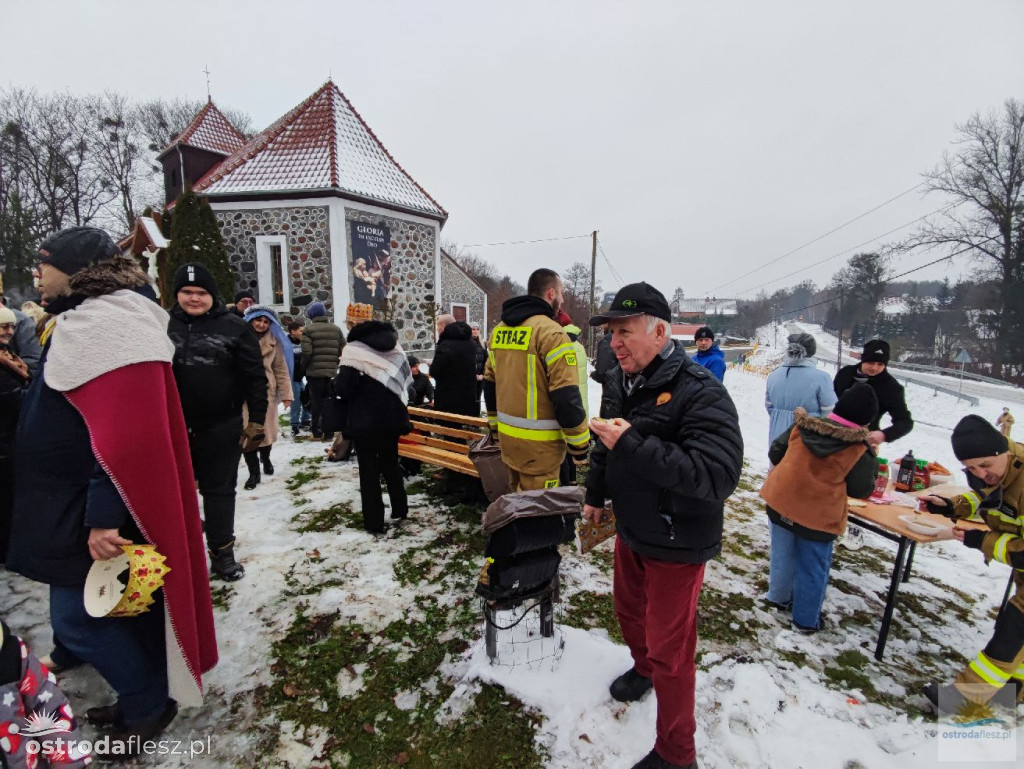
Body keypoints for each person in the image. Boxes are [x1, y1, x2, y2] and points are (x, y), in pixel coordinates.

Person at [7, 228, 217, 757]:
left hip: (87, 507)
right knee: (97, 615)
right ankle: (141, 697)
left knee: (79, 620)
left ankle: (147, 703)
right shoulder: (89, 320)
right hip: (66, 501)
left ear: (76, 268)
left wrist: (102, 515)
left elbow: (127, 436)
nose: (38, 273)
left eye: (45, 263)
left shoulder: (113, 326)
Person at [582, 282, 743, 769]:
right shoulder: (619, 380)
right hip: (632, 527)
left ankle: (677, 754)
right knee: (629, 613)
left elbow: (716, 475)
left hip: (678, 540)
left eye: (624, 332)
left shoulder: (701, 391)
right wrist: (595, 493)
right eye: (611, 334)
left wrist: (630, 443)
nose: (614, 343)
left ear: (659, 331)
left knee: (672, 651)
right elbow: (604, 445)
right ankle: (642, 667)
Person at [168, 262, 268, 581]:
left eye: (201, 293)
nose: (194, 298)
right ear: (177, 294)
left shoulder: (234, 327)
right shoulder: (162, 325)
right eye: (187, 292)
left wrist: (257, 421)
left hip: (221, 424)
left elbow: (255, 378)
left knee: (219, 491)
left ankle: (222, 554)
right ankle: (177, 553)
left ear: (212, 295)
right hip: (172, 426)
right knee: (174, 492)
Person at [919, 415, 1024, 710]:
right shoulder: (998, 471)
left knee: (1013, 630)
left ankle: (962, 700)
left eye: (985, 466)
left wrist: (982, 541)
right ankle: (1015, 692)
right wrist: (952, 506)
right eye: (971, 468)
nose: (980, 474)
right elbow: (987, 498)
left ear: (1001, 450)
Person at [759, 384, 878, 633]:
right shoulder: (858, 449)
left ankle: (777, 597)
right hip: (818, 516)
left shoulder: (803, 426)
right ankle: (805, 620)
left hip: (781, 500)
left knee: (782, 555)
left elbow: (776, 451)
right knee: (813, 568)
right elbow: (861, 490)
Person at [483, 268, 590, 491]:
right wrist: (580, 447)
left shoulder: (498, 332)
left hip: (509, 444)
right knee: (539, 518)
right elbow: (566, 395)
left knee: (518, 508)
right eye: (560, 293)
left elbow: (489, 385)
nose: (561, 298)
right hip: (541, 452)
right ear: (551, 293)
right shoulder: (551, 334)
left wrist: (495, 431)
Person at [332, 319, 413, 534]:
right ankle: (400, 508)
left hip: (364, 421)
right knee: (391, 463)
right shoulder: (396, 349)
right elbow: (406, 385)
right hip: (393, 418)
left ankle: (374, 523)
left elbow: (344, 388)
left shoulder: (353, 351)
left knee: (368, 471)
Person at [241, 306, 293, 489]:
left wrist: (287, 395)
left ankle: (266, 457)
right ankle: (253, 473)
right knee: (248, 434)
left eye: (266, 322)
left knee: (266, 433)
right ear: (251, 319)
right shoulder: (239, 339)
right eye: (258, 320)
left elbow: (281, 369)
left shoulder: (274, 343)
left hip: (266, 394)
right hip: (244, 394)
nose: (261, 324)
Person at [833, 339, 913, 447]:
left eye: (880, 364)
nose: (875, 368)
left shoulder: (892, 387)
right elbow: (829, 400)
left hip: (863, 442)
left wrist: (884, 435)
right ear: (863, 359)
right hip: (832, 434)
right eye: (871, 362)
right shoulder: (845, 373)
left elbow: (905, 421)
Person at [765, 332, 837, 443]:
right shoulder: (822, 378)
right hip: (808, 439)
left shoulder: (774, 375)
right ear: (812, 351)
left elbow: (769, 406)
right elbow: (830, 412)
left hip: (777, 437)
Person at [0, 306, 29, 562]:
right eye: (2, 327)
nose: (9, 331)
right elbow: (13, 398)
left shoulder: (8, 355)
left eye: (11, 326)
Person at [301, 301, 345, 439]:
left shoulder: (308, 330)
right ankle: (330, 431)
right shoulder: (336, 329)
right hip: (331, 372)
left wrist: (304, 366)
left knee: (316, 402)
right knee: (329, 401)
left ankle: (317, 431)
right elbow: (343, 349)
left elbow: (307, 353)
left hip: (314, 373)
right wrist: (335, 363)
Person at [431, 313, 480, 416]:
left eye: (438, 325)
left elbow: (434, 371)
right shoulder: (471, 343)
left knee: (447, 428)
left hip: (448, 398)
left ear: (443, 326)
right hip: (468, 396)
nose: (437, 329)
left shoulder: (445, 345)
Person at [287, 321, 312, 435]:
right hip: (292, 376)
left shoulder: (303, 342)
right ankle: (294, 424)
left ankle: (306, 420)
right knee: (296, 401)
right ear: (293, 331)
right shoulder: (286, 343)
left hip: (302, 375)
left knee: (305, 397)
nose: (303, 333)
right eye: (300, 330)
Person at [471, 322, 487, 407]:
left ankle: (477, 417)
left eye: (477, 329)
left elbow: (486, 360)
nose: (475, 331)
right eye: (473, 329)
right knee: (471, 398)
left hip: (480, 377)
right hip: (470, 377)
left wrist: (482, 374)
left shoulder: (483, 344)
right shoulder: (468, 343)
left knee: (478, 398)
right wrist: (474, 375)